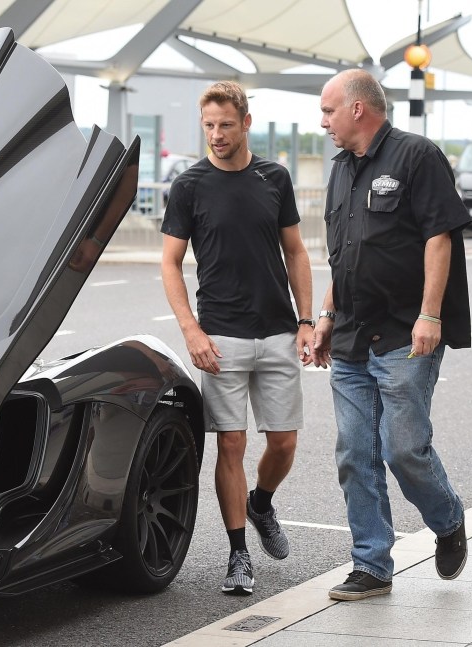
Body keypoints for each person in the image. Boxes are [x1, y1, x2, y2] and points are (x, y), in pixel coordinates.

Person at [312, 68, 471, 601]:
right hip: (353, 337)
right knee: (354, 453)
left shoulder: (416, 156)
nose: (324, 122)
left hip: (405, 333)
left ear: (359, 108)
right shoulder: (339, 171)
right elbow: (342, 257)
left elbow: (438, 237)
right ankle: (372, 565)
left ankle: (447, 521)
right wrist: (325, 319)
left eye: (329, 110)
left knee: (402, 448)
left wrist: (430, 315)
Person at [160, 81, 314, 596]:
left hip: (277, 331)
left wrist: (307, 319)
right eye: (208, 125)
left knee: (284, 442)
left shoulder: (275, 178)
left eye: (226, 124)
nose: (216, 134)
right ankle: (238, 553)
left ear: (246, 123)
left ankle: (262, 503)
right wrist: (191, 329)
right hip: (220, 335)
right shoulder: (189, 185)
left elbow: (295, 251)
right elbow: (169, 263)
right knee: (231, 443)